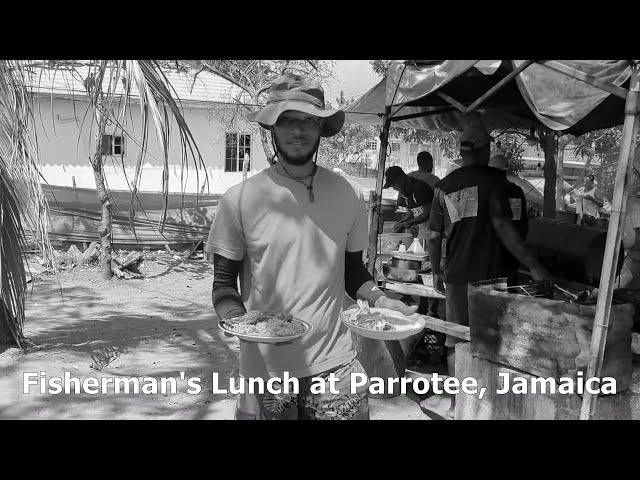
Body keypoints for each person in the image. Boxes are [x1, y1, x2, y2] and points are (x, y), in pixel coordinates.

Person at [206, 73, 416, 421]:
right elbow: (223, 286)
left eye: (309, 121)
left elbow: (353, 273)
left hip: (337, 366)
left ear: (321, 129)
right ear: (272, 127)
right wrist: (239, 323)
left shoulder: (346, 194)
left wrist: (380, 299)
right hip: (267, 370)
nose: (298, 130)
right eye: (288, 120)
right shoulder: (239, 200)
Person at [427, 118, 552, 419]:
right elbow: (511, 230)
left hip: (457, 277)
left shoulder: (444, 187)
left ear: (463, 151)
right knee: (494, 344)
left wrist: (435, 271)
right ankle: (485, 408)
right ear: (485, 149)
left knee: (456, 341)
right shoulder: (504, 186)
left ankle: (459, 406)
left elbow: (433, 236)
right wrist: (534, 266)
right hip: (498, 279)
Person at [382, 165, 438, 317]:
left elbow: (428, 213)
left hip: (436, 232)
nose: (394, 188)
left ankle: (433, 308)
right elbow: (414, 214)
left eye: (394, 184)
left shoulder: (419, 188)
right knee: (422, 267)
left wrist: (408, 224)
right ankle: (424, 305)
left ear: (401, 178)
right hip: (423, 231)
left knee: (431, 268)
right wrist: (403, 221)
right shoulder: (407, 191)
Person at [488, 153, 529, 285]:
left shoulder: (490, 191)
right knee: (510, 291)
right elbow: (524, 224)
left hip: (493, 254)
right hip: (513, 252)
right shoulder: (517, 191)